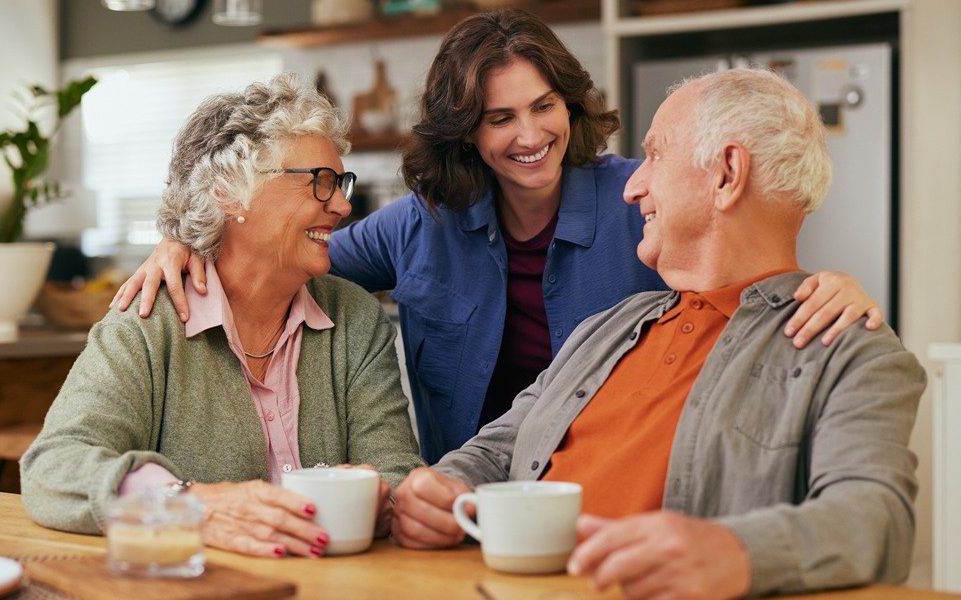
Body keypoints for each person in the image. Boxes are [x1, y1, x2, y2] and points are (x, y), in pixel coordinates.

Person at [110, 10, 885, 463]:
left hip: (616, 490)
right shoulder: (424, 220)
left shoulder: (637, 196)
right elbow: (285, 257)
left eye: (544, 106)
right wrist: (190, 243)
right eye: (499, 117)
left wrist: (827, 285)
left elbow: (744, 268)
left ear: (570, 107)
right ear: (466, 133)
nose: (529, 135)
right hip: (473, 496)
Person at [390, 68, 925, 598]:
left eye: (656, 155)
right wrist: (439, 490)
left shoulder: (850, 350)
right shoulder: (606, 327)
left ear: (726, 173)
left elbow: (877, 519)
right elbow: (493, 452)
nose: (632, 186)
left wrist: (736, 552)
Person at [21, 74, 423, 559]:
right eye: (321, 182)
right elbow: (54, 467)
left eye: (341, 182)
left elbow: (397, 474)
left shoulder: (355, 318)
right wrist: (189, 504)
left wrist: (378, 495)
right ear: (230, 192)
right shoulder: (149, 321)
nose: (341, 204)